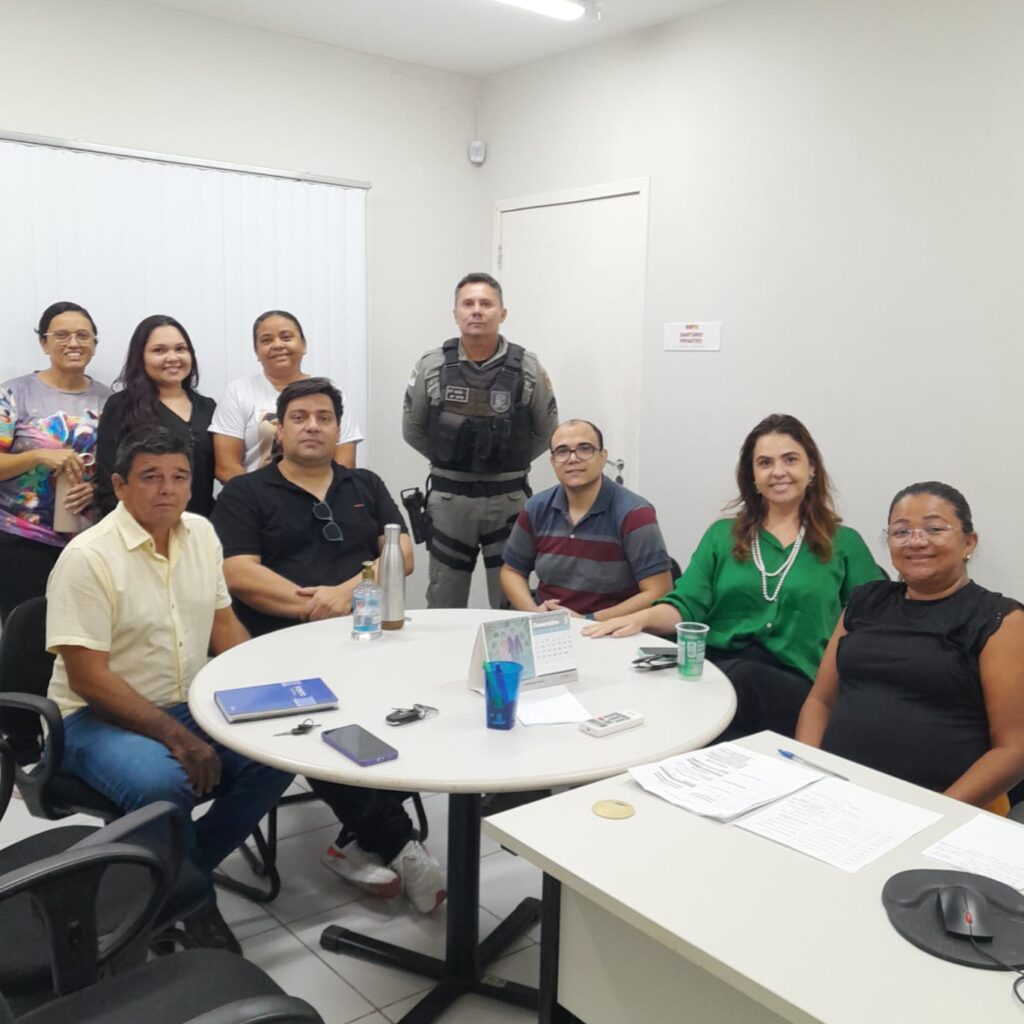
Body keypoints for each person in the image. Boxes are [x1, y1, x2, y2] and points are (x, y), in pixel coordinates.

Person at [45, 426, 292, 952]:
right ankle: (195, 904)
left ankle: (170, 882)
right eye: (151, 477)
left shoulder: (201, 533)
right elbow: (90, 679)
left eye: (179, 477)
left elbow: (224, 628)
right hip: (93, 716)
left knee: (279, 752)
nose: (168, 489)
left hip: (188, 700)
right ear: (119, 483)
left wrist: (274, 693)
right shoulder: (88, 557)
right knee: (163, 783)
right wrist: (180, 740)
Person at [212, 377, 445, 913]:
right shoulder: (247, 492)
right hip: (279, 645)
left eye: (324, 417)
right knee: (326, 720)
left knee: (404, 712)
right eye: (299, 417)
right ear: (280, 427)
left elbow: (402, 554)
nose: (312, 426)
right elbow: (238, 572)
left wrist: (344, 594)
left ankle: (355, 841)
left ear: (339, 428)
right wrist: (313, 607)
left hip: (368, 636)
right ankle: (400, 842)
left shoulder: (364, 483)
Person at [584, 413, 883, 740]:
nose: (778, 471)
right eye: (765, 463)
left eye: (790, 460)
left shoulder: (845, 544)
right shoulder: (722, 535)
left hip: (797, 685)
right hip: (717, 673)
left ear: (811, 469)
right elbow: (686, 605)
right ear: (752, 476)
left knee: (738, 683)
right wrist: (639, 619)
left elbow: (872, 626)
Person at [796, 482, 1024, 810]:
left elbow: (1013, 751)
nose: (916, 541)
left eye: (934, 528)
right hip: (837, 797)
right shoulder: (865, 601)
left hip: (936, 809)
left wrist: (934, 814)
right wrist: (806, 773)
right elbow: (820, 701)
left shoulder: (999, 619)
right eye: (901, 532)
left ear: (968, 542)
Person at [402, 272, 558, 609]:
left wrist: (507, 459)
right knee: (444, 601)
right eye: (468, 304)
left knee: (509, 604)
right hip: (449, 502)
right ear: (456, 313)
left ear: (502, 313)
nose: (477, 311)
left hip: (508, 501)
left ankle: (509, 665)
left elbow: (546, 432)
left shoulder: (528, 368)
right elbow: (412, 429)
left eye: (486, 304)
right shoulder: (431, 365)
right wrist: (450, 455)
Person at [0, 301, 111, 623]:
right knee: (28, 634)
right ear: (44, 343)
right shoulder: (13, 395)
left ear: (94, 344)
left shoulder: (110, 401)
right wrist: (37, 456)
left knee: (84, 633)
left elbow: (119, 467)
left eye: (83, 335)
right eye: (61, 335)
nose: (73, 343)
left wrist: (97, 490)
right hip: (20, 539)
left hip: (89, 540)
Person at [501, 418, 673, 619]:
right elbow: (511, 571)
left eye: (584, 448)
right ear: (553, 461)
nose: (572, 459)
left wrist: (587, 621)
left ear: (602, 457)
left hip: (611, 633)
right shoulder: (536, 508)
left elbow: (659, 591)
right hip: (550, 631)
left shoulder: (635, 514)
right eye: (562, 451)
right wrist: (534, 613)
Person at [210, 309, 363, 482]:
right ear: (257, 352)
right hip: (255, 503)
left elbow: (345, 462)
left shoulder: (329, 393)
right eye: (267, 340)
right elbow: (226, 467)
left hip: (321, 502)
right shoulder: (238, 392)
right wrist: (261, 501)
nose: (277, 345)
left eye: (286, 337)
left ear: (304, 345)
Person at [95, 314, 217, 517]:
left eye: (180, 349)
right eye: (159, 350)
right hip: (142, 527)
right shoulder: (122, 407)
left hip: (200, 528)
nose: (172, 357)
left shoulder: (208, 408)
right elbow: (109, 483)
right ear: (140, 356)